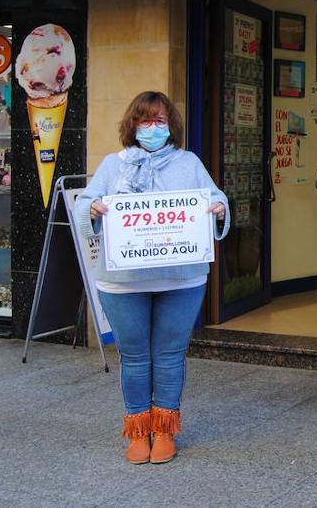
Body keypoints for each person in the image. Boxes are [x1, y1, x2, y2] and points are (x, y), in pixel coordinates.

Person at [75, 91, 229, 465]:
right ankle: (138, 429)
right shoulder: (114, 164)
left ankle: (164, 427)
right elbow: (84, 204)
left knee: (170, 355)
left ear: (171, 126)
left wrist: (220, 208)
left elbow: (215, 197)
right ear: (132, 125)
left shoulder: (188, 162)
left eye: (160, 121)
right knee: (135, 356)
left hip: (180, 278)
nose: (153, 127)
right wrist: (92, 208)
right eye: (145, 120)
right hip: (124, 279)